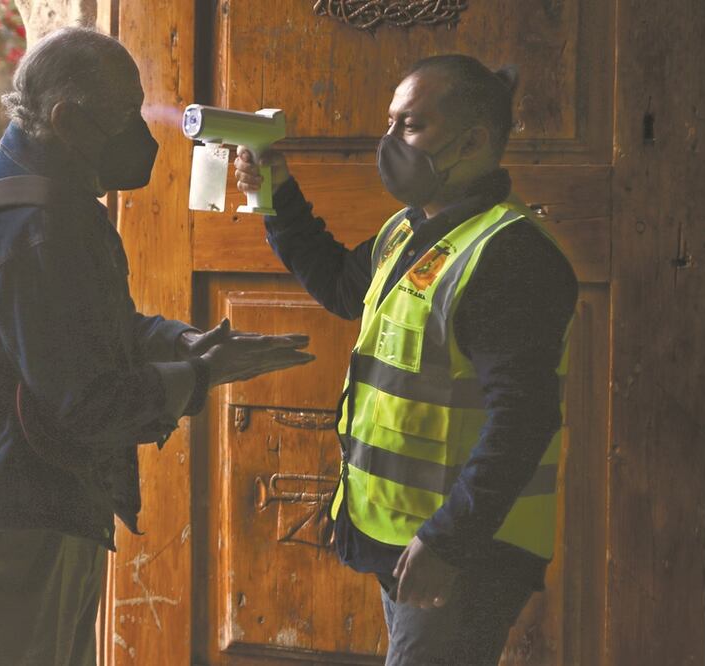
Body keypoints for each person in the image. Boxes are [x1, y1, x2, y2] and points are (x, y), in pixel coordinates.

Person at [0, 27, 313, 666]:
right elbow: (85, 401)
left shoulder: (36, 188)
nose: (144, 133)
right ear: (67, 118)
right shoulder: (38, 228)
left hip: (24, 504)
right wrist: (199, 375)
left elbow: (100, 329)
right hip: (9, 517)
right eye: (126, 114)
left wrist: (184, 341)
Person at [235, 54, 577, 665]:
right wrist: (276, 196)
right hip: (404, 537)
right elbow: (343, 286)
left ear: (473, 140)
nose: (388, 142)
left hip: (465, 550)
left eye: (410, 126)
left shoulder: (510, 256)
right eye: (390, 122)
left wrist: (448, 542)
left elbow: (523, 420)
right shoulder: (409, 230)